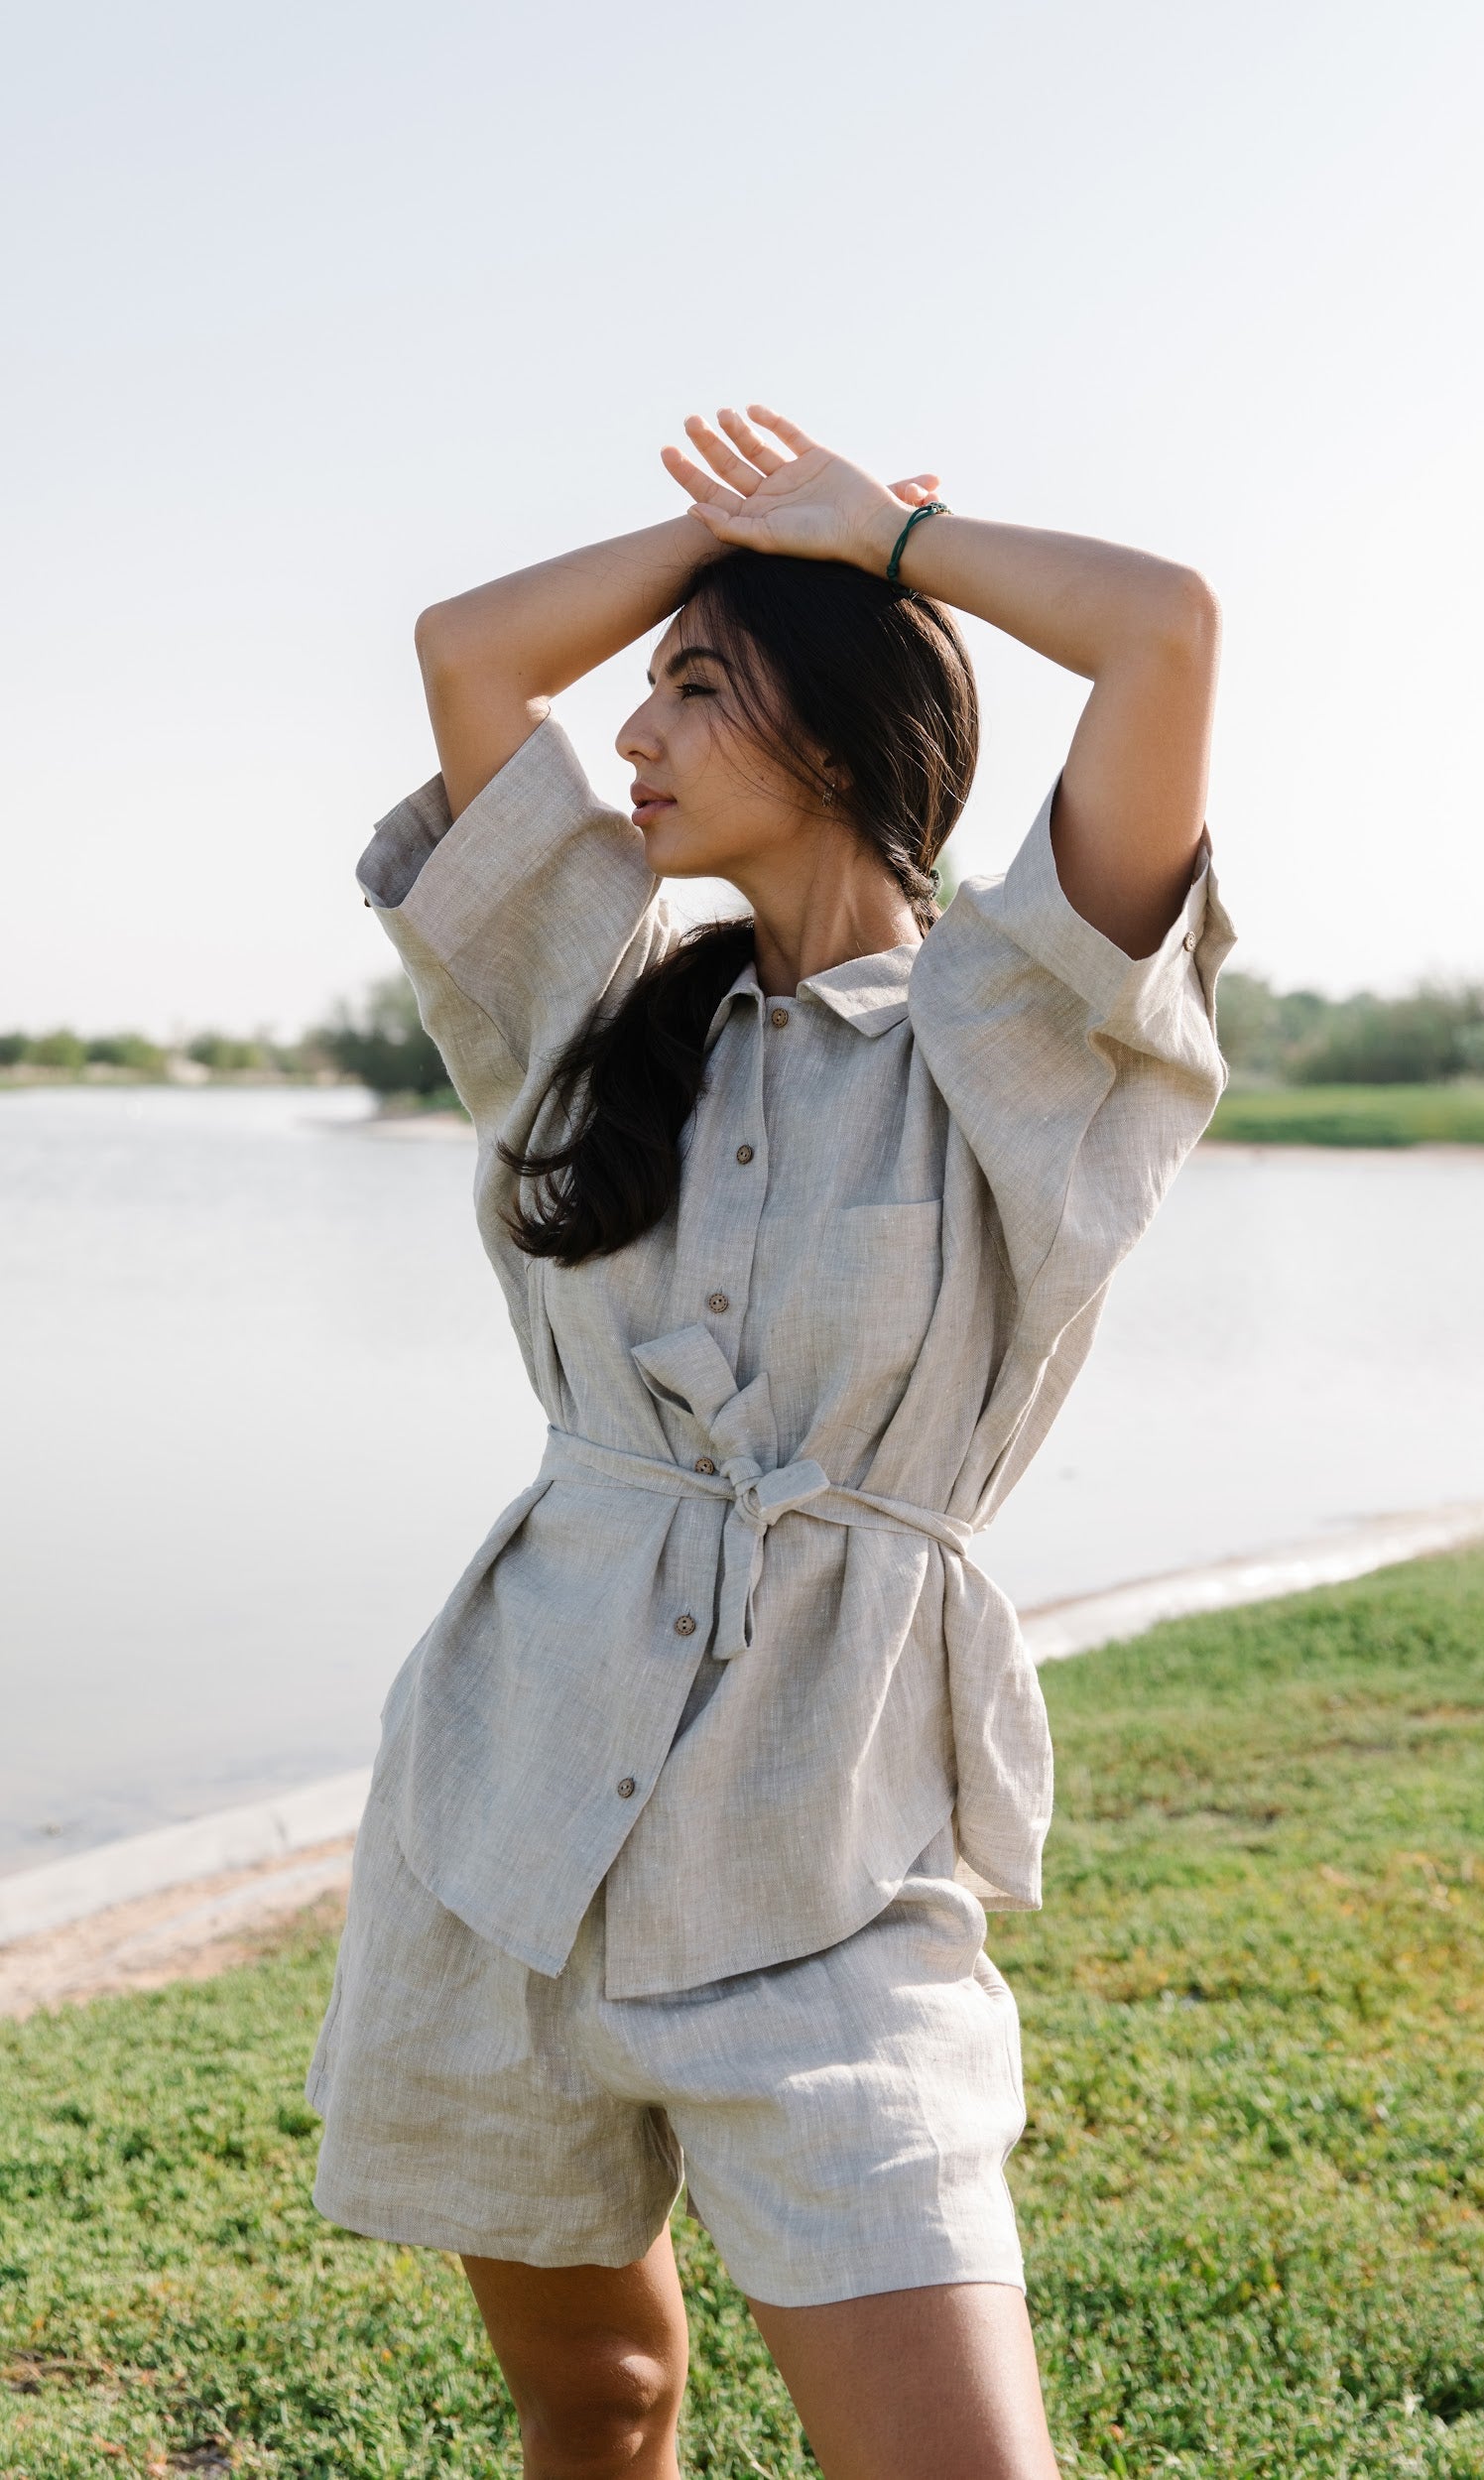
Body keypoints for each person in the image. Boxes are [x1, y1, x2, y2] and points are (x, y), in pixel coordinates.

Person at [307, 405, 1232, 2480]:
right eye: (644, 685)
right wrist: (710, 546)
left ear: (833, 729)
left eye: (697, 688)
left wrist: (878, 534)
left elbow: (1164, 632)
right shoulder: (594, 997)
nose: (631, 729)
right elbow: (468, 651)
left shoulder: (1021, 1034)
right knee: (598, 2399)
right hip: (507, 1827)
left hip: (826, 1867)